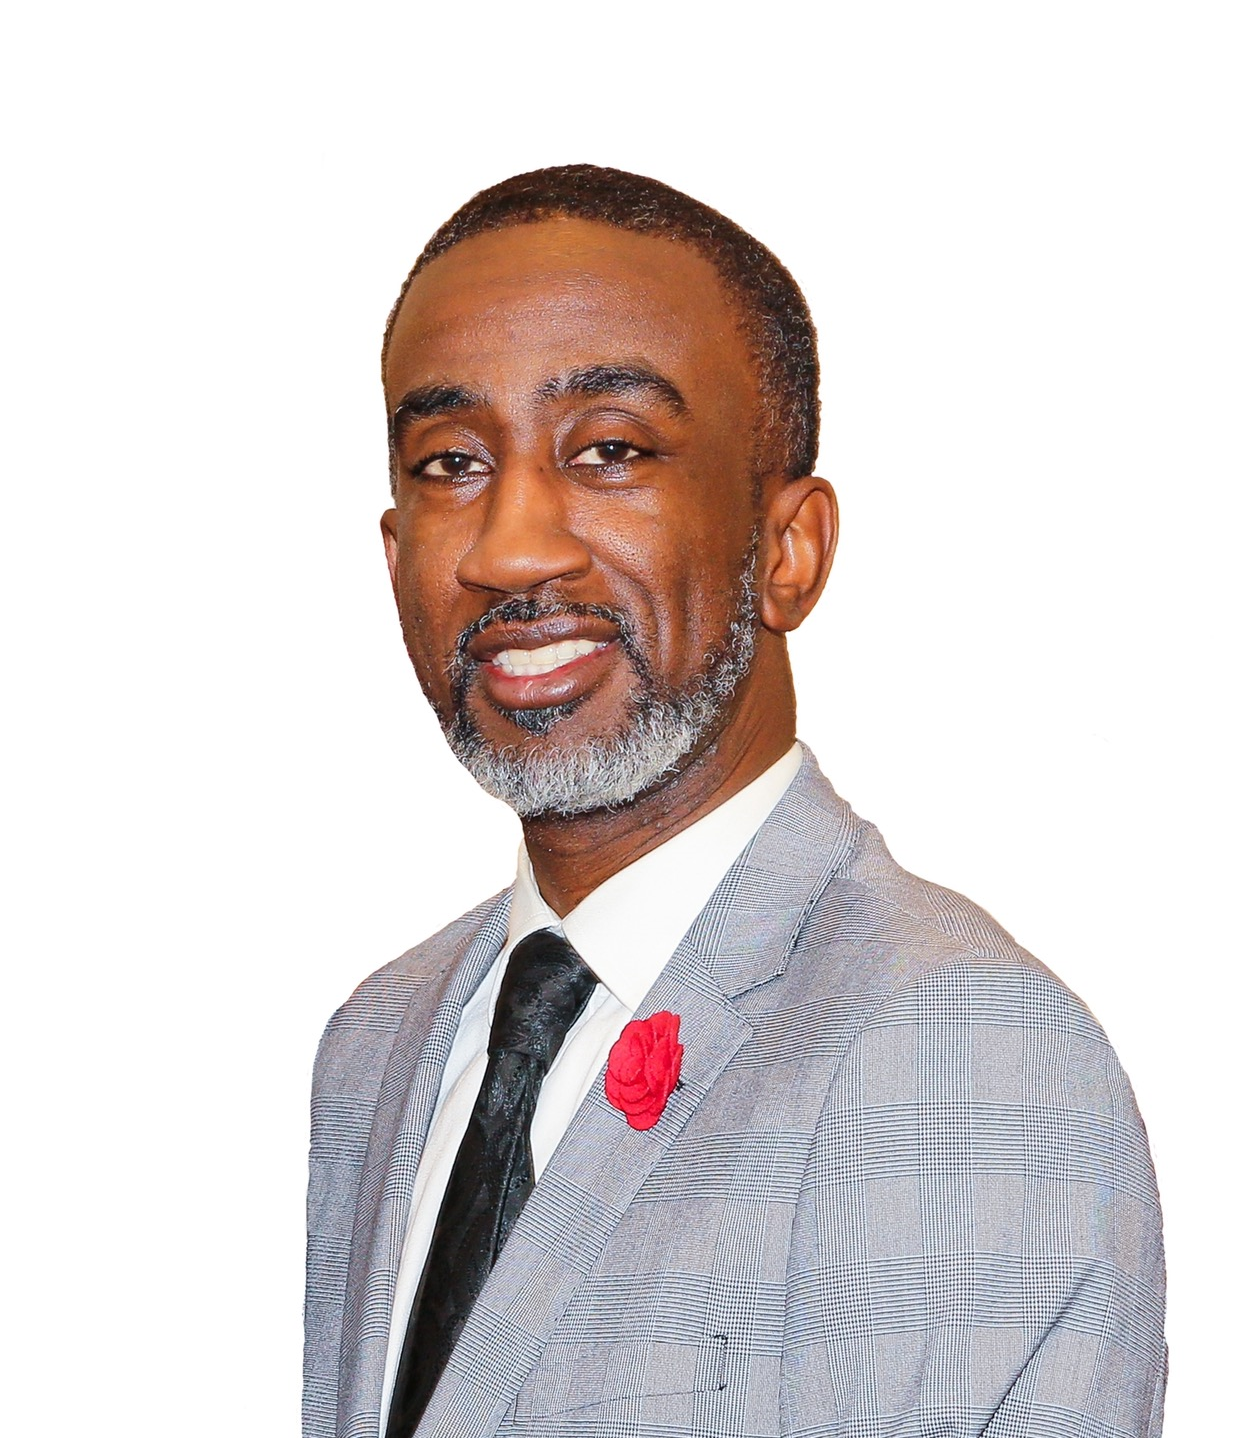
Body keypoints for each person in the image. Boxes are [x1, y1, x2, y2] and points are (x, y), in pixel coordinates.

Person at [304, 165, 1166, 1438]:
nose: (510, 544)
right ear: (394, 554)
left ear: (789, 550)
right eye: (451, 462)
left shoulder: (953, 1047)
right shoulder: (380, 1042)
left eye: (610, 450)